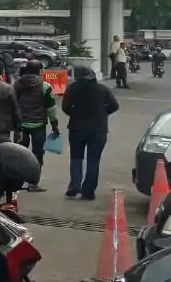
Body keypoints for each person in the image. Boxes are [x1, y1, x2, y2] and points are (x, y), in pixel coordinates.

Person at [62, 65, 119, 200]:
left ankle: (75, 185)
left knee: (76, 158)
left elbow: (65, 107)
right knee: (93, 161)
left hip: (77, 129)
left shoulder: (72, 89)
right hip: (98, 130)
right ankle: (88, 191)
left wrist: (75, 114)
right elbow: (114, 105)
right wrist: (103, 114)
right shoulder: (102, 89)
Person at [13, 61, 60, 186]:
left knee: (19, 153)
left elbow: (13, 104)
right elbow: (51, 108)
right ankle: (33, 183)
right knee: (38, 154)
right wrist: (54, 125)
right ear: (40, 71)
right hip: (39, 125)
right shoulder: (45, 86)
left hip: (21, 126)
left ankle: (17, 181)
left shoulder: (17, 84)